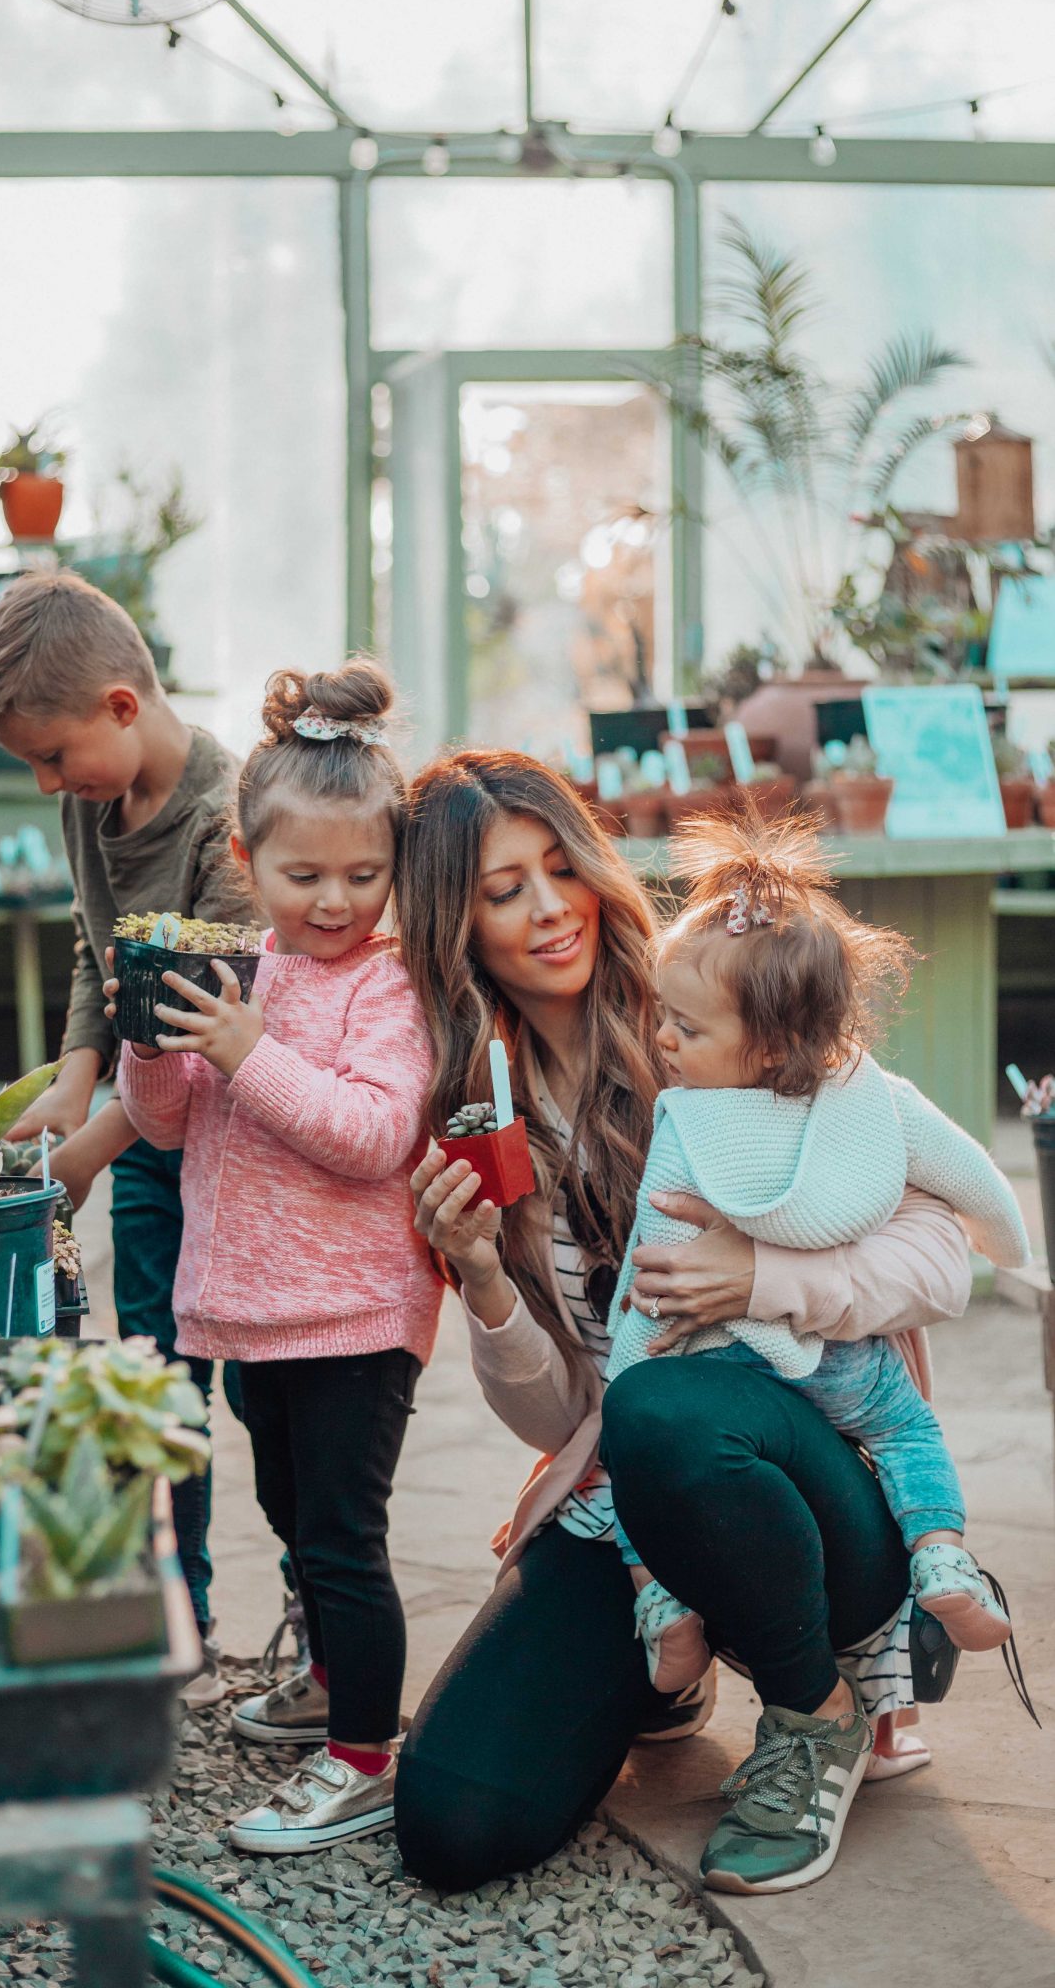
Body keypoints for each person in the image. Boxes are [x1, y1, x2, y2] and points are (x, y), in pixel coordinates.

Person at [392, 752, 974, 1899]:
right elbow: (564, 1414)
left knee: (659, 1403)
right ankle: (690, 1640)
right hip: (637, 1501)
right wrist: (484, 1283)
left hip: (823, 1481)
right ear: (453, 926)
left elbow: (941, 1250)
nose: (549, 905)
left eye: (561, 865)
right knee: (454, 1820)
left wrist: (758, 1273)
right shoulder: (478, 1110)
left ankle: (818, 1709)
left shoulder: (724, 995)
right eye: (503, 889)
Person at [111, 659, 442, 1853]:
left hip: (353, 1313)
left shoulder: (388, 989)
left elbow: (371, 1135)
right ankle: (330, 1687)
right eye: (306, 875)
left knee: (346, 1540)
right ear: (248, 866)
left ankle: (367, 1754)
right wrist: (147, 1035)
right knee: (295, 1520)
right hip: (248, 1310)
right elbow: (163, 1124)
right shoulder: (243, 969)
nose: (338, 899)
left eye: (365, 873)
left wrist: (249, 1050)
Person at [603, 809, 1026, 1696]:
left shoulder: (688, 1124)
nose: (664, 1041)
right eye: (663, 1018)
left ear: (764, 1044)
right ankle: (942, 1556)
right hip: (838, 1366)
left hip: (725, 1369)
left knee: (633, 1447)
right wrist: (1011, 1243)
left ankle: (658, 1603)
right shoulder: (871, 1096)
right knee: (907, 1424)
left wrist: (628, 1378)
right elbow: (973, 1177)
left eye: (684, 1026)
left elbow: (663, 1269)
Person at [0, 569, 253, 1698]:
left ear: (123, 706)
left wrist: (94, 1143)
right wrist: (71, 1085)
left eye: (50, 756)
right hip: (142, 1146)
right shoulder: (94, 802)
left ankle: (315, 1624)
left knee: (249, 1385)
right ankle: (188, 1601)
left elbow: (192, 1016)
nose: (45, 786)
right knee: (158, 1377)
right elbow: (102, 949)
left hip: (232, 1148)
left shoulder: (233, 820)